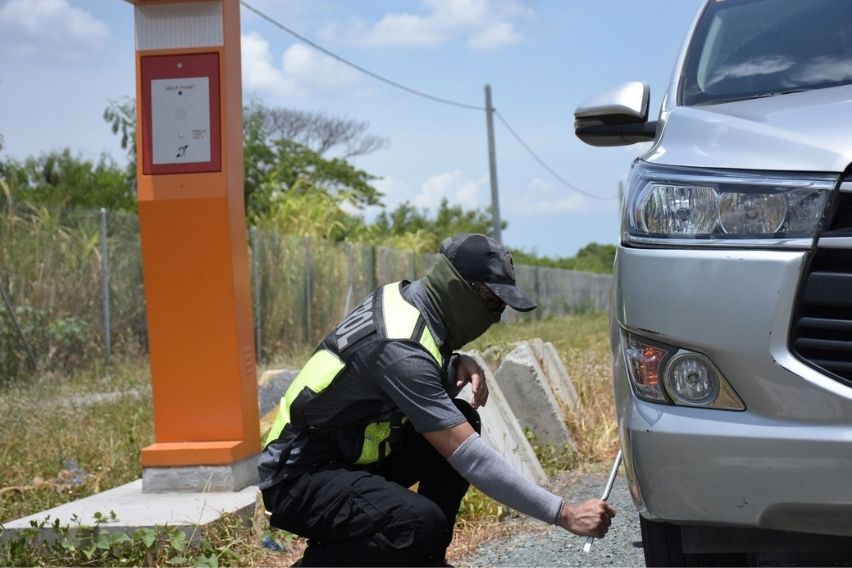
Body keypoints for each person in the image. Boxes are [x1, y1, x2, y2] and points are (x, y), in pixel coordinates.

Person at [258, 233, 615, 566]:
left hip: (345, 457)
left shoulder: (407, 300)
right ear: (458, 290)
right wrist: (565, 513)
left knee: (463, 418)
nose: (497, 317)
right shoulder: (400, 349)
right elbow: (472, 458)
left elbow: (384, 377)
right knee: (416, 523)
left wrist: (453, 362)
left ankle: (427, 561)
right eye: (493, 303)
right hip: (299, 479)